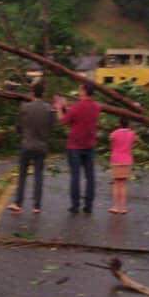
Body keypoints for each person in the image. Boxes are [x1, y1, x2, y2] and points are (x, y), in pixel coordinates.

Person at [54, 81, 101, 214]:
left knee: (75, 176)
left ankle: (75, 205)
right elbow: (78, 119)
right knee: (90, 176)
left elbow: (63, 121)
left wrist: (59, 107)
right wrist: (66, 107)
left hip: (74, 145)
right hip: (90, 145)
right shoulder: (97, 107)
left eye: (80, 90)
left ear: (85, 91)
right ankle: (89, 205)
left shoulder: (77, 107)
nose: (79, 92)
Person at [8, 81, 54, 214]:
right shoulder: (49, 109)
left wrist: (23, 133)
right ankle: (37, 206)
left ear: (32, 92)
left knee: (22, 175)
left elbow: (18, 126)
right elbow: (52, 127)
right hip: (41, 145)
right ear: (43, 93)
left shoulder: (24, 107)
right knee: (38, 175)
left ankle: (18, 203)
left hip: (27, 144)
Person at [108, 116, 136, 214]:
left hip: (116, 159)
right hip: (127, 160)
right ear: (128, 124)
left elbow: (111, 141)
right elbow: (133, 143)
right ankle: (123, 208)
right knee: (123, 184)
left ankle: (115, 207)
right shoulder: (132, 134)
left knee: (116, 184)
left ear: (119, 123)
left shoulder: (114, 133)